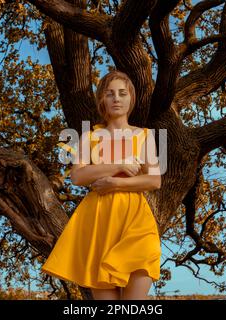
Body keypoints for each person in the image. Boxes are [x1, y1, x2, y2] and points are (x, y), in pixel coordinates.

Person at [41, 70, 162, 300]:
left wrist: (114, 182)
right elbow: (78, 177)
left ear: (130, 99)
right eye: (110, 94)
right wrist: (119, 164)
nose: (116, 98)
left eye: (122, 93)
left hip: (136, 220)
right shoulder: (89, 137)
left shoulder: (144, 136)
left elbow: (154, 180)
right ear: (102, 100)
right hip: (99, 223)